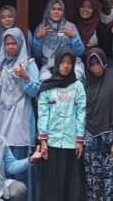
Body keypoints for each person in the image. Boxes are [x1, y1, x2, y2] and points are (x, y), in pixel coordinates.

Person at [0, 28, 40, 201]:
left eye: (14, 43)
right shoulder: (0, 64)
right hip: (2, 122)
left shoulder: (29, 63)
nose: (10, 47)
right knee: (4, 167)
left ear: (20, 44)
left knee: (21, 168)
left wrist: (26, 77)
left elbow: (35, 91)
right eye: (7, 44)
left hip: (20, 123)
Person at [37, 52, 86, 201]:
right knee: (52, 183)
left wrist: (79, 140)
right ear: (57, 63)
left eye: (69, 63)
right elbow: (43, 113)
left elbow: (81, 112)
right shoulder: (48, 86)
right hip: (52, 142)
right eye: (62, 62)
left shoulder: (77, 85)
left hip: (71, 142)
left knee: (71, 183)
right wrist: (43, 140)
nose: (65, 66)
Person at [82, 49, 113, 201]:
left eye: (98, 63)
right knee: (91, 177)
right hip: (89, 137)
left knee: (109, 177)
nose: (96, 67)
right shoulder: (85, 86)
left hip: (108, 138)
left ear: (104, 63)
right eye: (92, 64)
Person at [31, 0, 85, 81]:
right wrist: (38, 38)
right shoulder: (41, 28)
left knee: (77, 77)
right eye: (53, 9)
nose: (56, 12)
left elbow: (79, 52)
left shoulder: (70, 27)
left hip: (70, 64)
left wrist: (73, 37)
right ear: (48, 10)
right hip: (49, 65)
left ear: (63, 12)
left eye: (59, 9)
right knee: (45, 79)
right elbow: (36, 54)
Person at [74, 0, 113, 68]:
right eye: (82, 6)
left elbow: (106, 53)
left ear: (95, 10)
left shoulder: (101, 28)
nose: (85, 10)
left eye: (89, 7)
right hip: (76, 64)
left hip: (96, 66)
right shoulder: (73, 25)